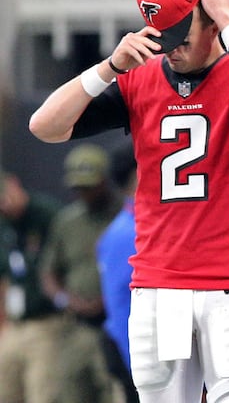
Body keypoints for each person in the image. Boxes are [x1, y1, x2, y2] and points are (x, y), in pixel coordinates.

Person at [27, 0, 229, 401]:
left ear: (211, 18)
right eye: (162, 36)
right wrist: (107, 68)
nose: (171, 49)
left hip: (227, 282)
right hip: (158, 287)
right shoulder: (140, 77)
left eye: (180, 36)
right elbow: (44, 125)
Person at [39, 143, 122, 403]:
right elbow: (49, 273)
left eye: (89, 186)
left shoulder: (126, 216)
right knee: (70, 392)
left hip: (118, 324)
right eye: (78, 188)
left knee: (117, 391)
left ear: (104, 180)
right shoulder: (67, 221)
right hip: (77, 328)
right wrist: (67, 299)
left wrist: (111, 300)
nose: (83, 193)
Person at [0, 173, 64, 403]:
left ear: (14, 184)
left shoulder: (48, 214)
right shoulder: (4, 224)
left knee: (42, 392)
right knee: (6, 391)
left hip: (46, 320)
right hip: (14, 323)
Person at [96, 141, 139, 403]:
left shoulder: (135, 225)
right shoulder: (125, 233)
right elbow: (119, 302)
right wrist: (136, 367)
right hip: (129, 348)